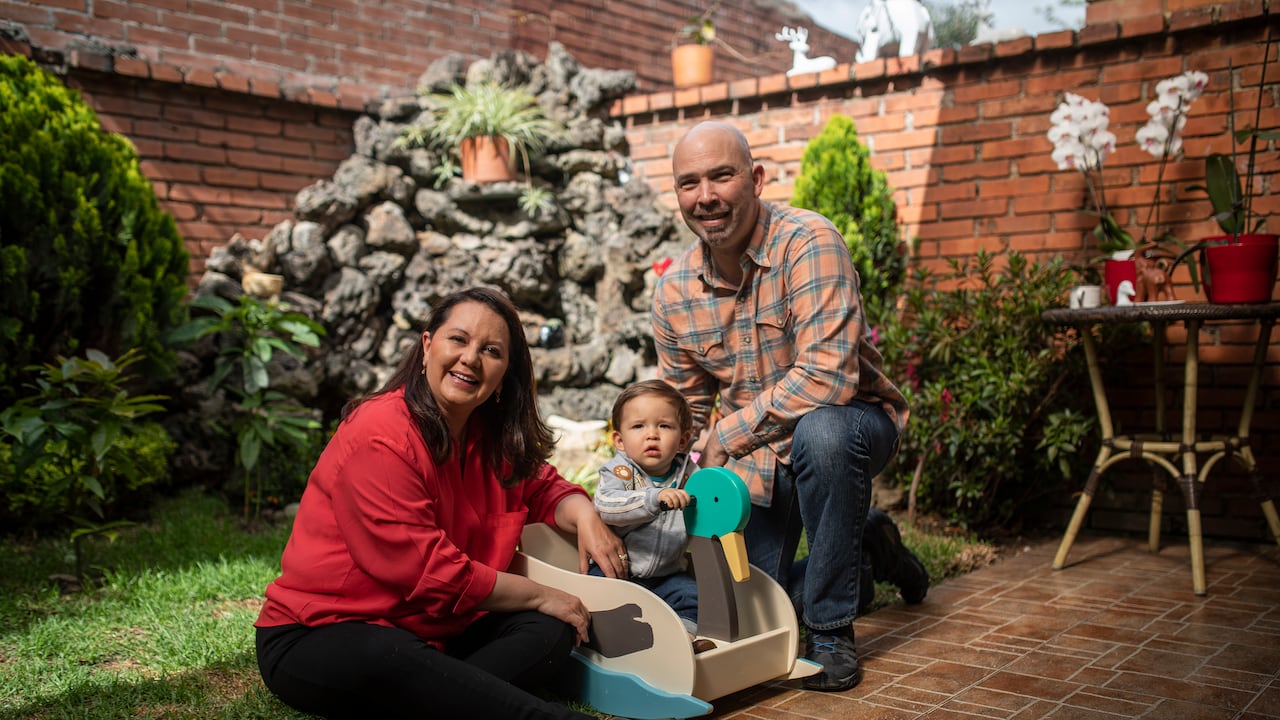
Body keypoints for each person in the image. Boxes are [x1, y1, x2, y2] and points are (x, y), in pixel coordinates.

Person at [254, 286, 634, 720]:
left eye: (491, 351)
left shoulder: (488, 436)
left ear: (504, 374)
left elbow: (543, 487)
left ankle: (442, 695)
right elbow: (429, 573)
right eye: (458, 339)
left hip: (438, 633)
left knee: (551, 629)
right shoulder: (380, 433)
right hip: (326, 630)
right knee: (391, 654)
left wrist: (585, 515)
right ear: (427, 346)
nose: (471, 358)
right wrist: (539, 594)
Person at [651, 121, 929, 692]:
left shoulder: (808, 242)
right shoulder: (673, 291)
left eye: (722, 176)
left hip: (849, 425)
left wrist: (727, 435)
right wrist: (648, 475)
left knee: (823, 435)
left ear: (755, 179)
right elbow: (687, 414)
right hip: (757, 457)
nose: (706, 196)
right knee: (755, 613)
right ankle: (869, 549)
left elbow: (828, 376)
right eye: (689, 183)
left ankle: (831, 630)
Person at [590, 379, 714, 653]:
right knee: (601, 595)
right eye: (638, 426)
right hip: (620, 570)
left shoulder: (689, 476)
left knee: (692, 595)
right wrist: (652, 498)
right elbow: (606, 505)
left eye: (664, 426)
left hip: (667, 574)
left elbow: (708, 504)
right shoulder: (619, 472)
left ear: (683, 439)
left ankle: (683, 640)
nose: (652, 435)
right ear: (619, 440)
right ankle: (617, 641)